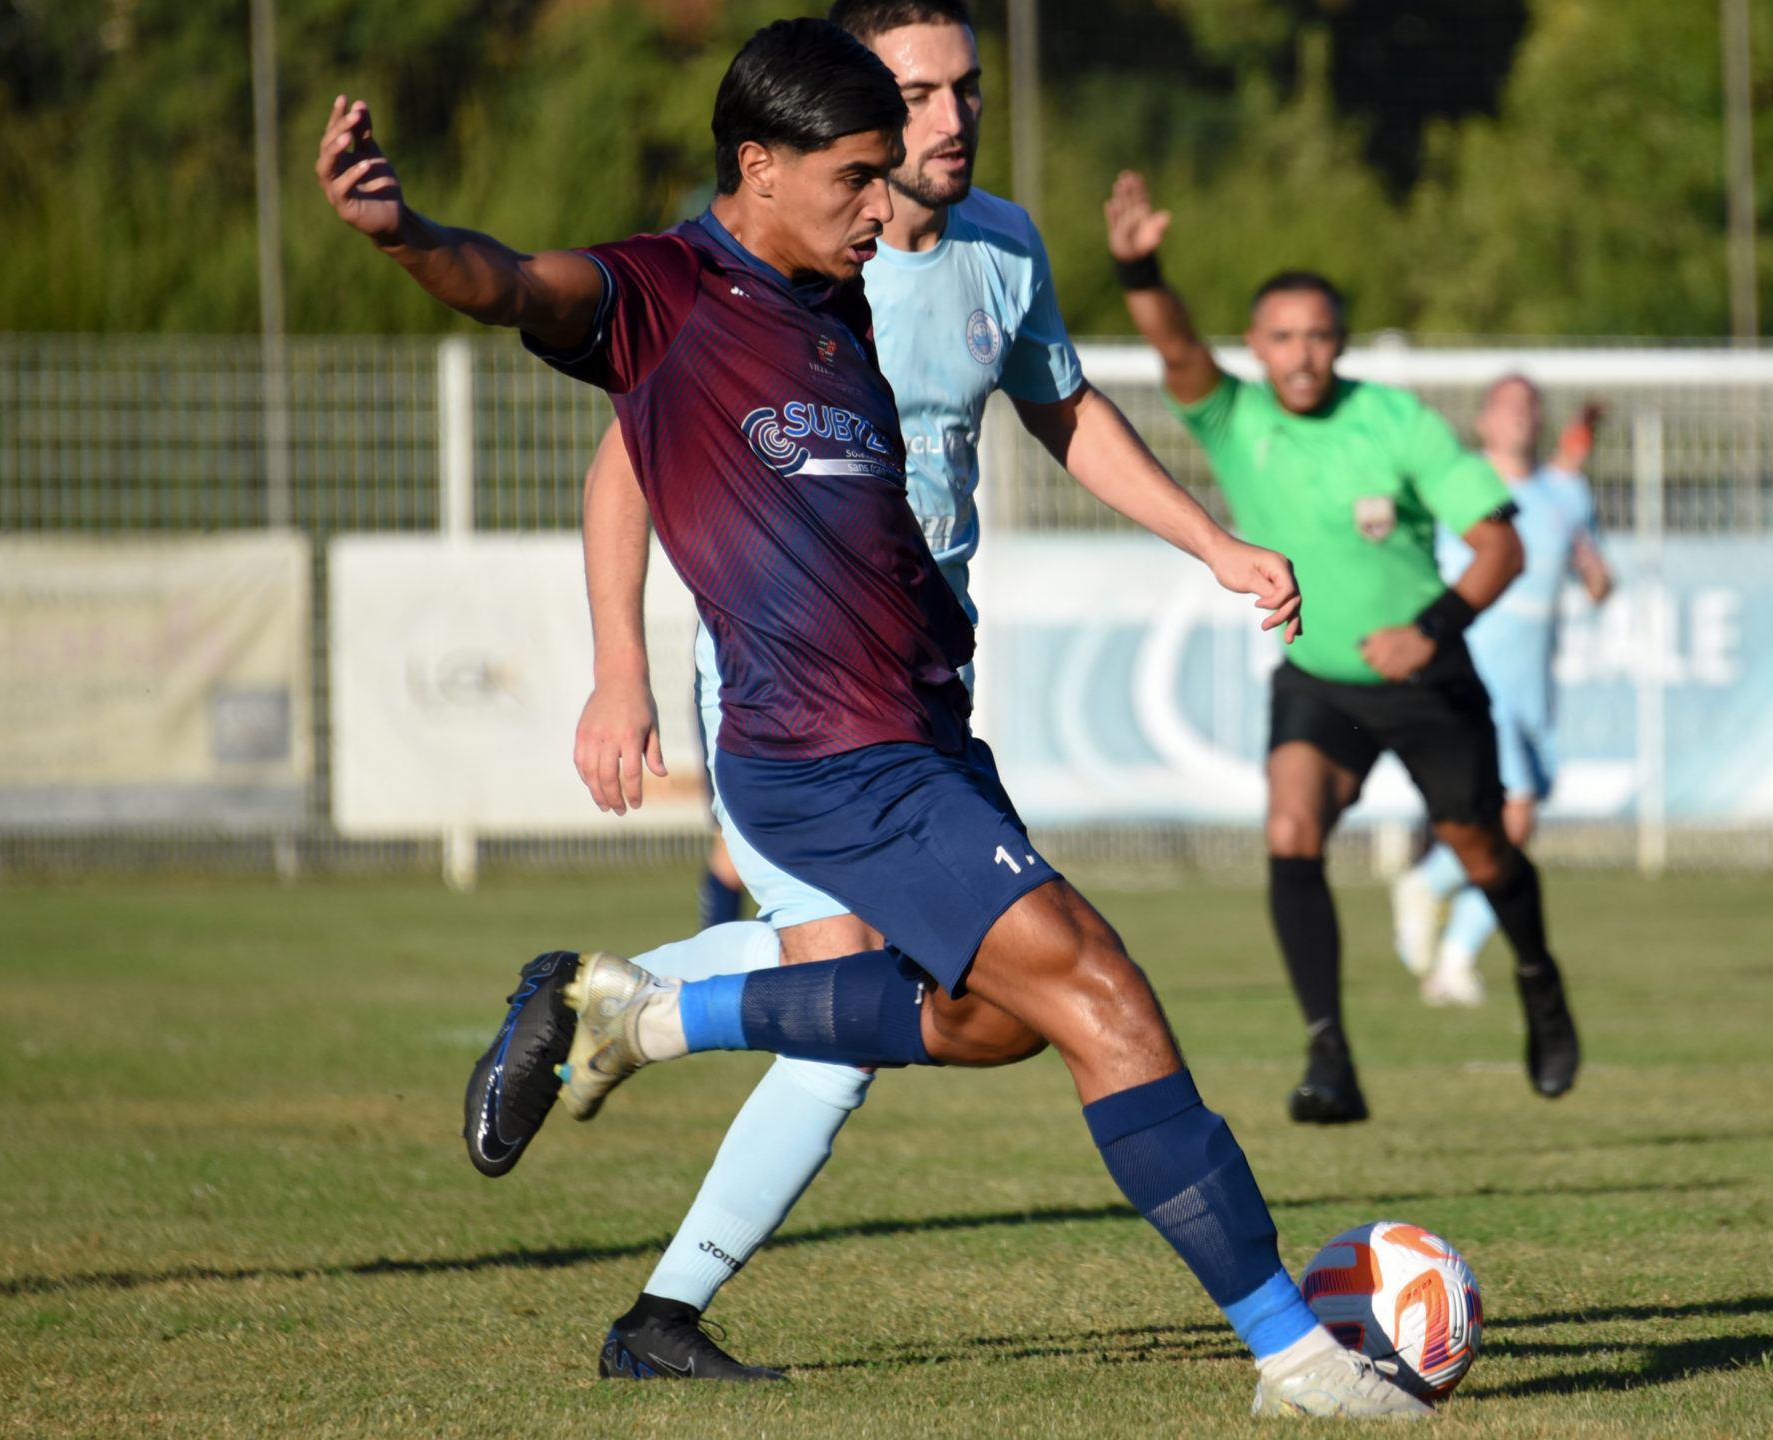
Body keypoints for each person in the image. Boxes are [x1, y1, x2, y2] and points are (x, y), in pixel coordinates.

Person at [324, 19, 1431, 1418]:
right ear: (759, 164)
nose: (886, 191)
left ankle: (643, 1018)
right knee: (1100, 990)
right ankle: (1296, 1359)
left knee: (993, 1019)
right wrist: (406, 233)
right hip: (821, 747)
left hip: (921, 726)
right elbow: (512, 283)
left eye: (936, 119)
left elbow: (1005, 442)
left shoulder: (848, 300)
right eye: (859, 168)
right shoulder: (666, 289)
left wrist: (1195, 549)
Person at [548, 0, 1321, 1388]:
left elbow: (1064, 410)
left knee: (961, 1009)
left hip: (919, 689)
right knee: (883, 999)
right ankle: (659, 1290)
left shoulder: (1002, 246)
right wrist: (619, 665)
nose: (948, 120)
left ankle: (623, 1021)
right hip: (787, 689)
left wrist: (1212, 542)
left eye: (966, 90)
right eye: (916, 96)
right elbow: (629, 459)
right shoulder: (759, 262)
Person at [1106, 170, 1582, 1126]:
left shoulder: (1394, 421)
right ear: (1257, 347)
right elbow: (1174, 344)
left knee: (1481, 849)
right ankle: (1329, 1055)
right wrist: (1140, 269)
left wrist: (1427, 630)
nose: (1302, 354)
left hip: (1429, 677)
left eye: (1318, 335)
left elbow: (1503, 547)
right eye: (1282, 337)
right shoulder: (1234, 417)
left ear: (1342, 341)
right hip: (1320, 679)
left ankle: (1537, 977)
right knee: (1290, 829)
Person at [1393, 377, 1613, 1006]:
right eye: (1507, 405)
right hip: (1476, 679)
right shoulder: (1459, 485)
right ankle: (1430, 886)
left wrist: (1594, 572)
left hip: (1535, 686)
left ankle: (1452, 962)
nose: (1520, 415)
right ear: (1484, 421)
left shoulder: (1565, 492)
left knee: (1516, 828)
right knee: (1513, 818)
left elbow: (1599, 580)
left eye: (1530, 405)